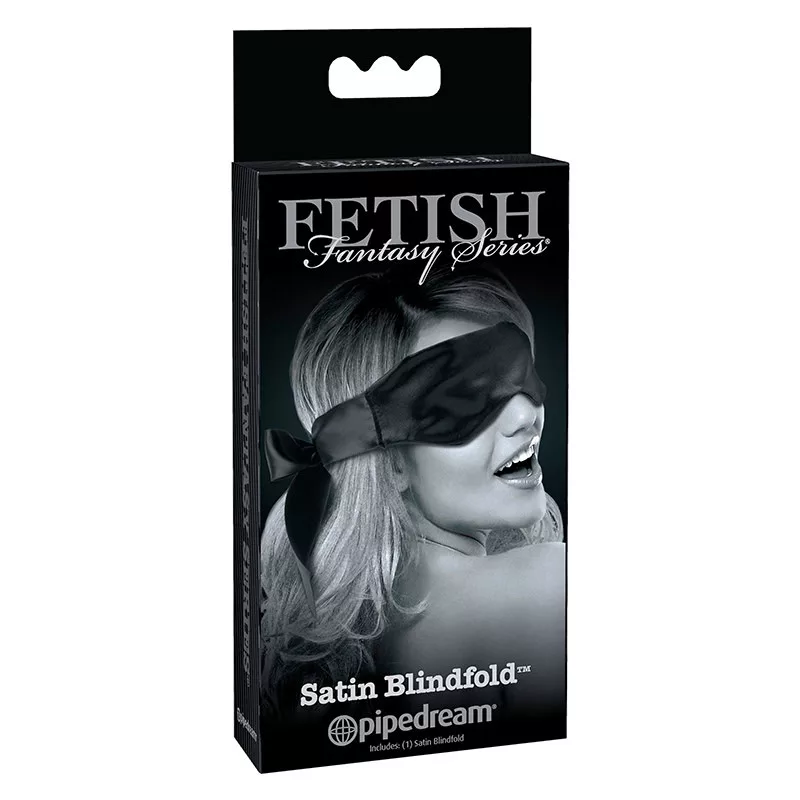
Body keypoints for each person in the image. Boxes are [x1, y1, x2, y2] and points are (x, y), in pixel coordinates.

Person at [260, 264, 565, 718]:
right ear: (390, 462)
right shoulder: (547, 585)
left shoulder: (343, 637)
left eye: (521, 373)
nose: (527, 415)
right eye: (466, 397)